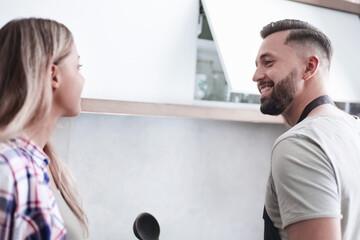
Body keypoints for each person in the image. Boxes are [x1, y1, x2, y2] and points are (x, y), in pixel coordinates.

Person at [252, 19, 360, 240]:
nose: (256, 76)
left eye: (268, 62)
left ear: (309, 67)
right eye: (257, 65)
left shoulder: (300, 143)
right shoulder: (353, 127)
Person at [0, 18, 88, 239]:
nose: (82, 78)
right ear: (53, 75)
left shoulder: (42, 162)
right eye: (78, 67)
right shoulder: (10, 168)